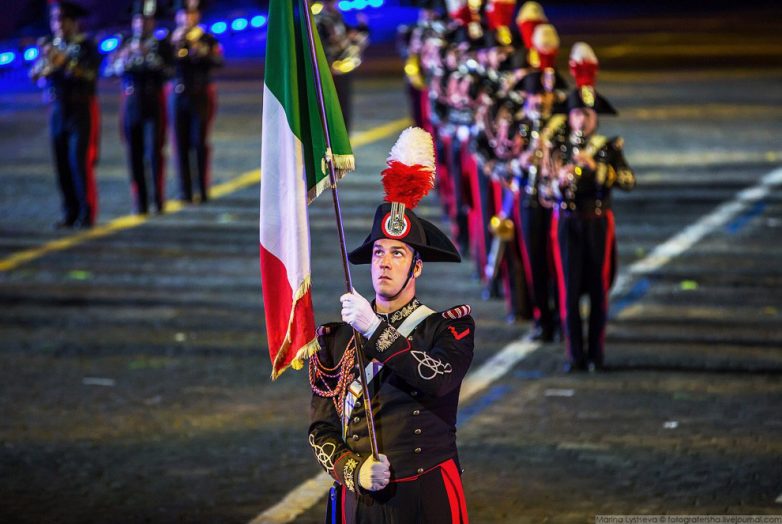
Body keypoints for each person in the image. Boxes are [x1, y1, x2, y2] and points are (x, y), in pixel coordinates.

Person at [308, 128, 473, 523]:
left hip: (427, 493)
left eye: (397, 253)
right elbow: (321, 431)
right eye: (379, 252)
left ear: (416, 266)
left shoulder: (448, 328)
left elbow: (437, 379)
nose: (383, 261)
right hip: (362, 496)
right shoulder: (335, 339)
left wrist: (375, 330)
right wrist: (354, 470)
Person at [547, 43, 635, 372]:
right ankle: (575, 356)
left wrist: (597, 169)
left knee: (599, 289)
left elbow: (628, 180)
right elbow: (542, 185)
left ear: (596, 118)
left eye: (588, 114)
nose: (582, 120)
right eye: (577, 114)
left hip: (598, 221)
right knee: (568, 291)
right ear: (569, 117)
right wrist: (558, 180)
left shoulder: (607, 148)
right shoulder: (556, 147)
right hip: (567, 221)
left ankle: (596, 354)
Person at [30, 0, 101, 229]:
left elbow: (89, 75)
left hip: (80, 108)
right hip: (58, 109)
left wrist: (67, 63)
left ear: (72, 22)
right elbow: (36, 74)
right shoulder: (51, 46)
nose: (58, 24)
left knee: (79, 162)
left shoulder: (85, 46)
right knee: (61, 164)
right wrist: (44, 66)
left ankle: (86, 213)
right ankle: (69, 212)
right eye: (55, 20)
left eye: (62, 20)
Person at [106, 0, 173, 215]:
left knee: (154, 152)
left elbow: (170, 71)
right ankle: (140, 202)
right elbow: (107, 71)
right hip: (131, 100)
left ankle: (158, 199)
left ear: (152, 22)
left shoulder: (161, 44)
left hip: (154, 99)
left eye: (146, 20)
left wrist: (149, 56)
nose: (142, 24)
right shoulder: (124, 42)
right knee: (133, 154)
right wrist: (122, 58)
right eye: (138, 20)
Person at [170, 0, 222, 204]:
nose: (187, 18)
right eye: (183, 14)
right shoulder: (171, 39)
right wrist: (172, 45)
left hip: (200, 93)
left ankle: (203, 189)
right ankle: (185, 190)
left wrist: (201, 50)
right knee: (180, 144)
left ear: (197, 16)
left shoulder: (206, 38)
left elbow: (218, 61)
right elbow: (164, 64)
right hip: (178, 93)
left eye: (191, 14)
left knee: (199, 142)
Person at [314, 0, 369, 132]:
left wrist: (361, 29)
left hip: (342, 68)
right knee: (331, 107)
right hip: (330, 69)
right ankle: (335, 138)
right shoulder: (321, 19)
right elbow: (326, 44)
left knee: (343, 106)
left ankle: (343, 136)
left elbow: (350, 35)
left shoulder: (336, 16)